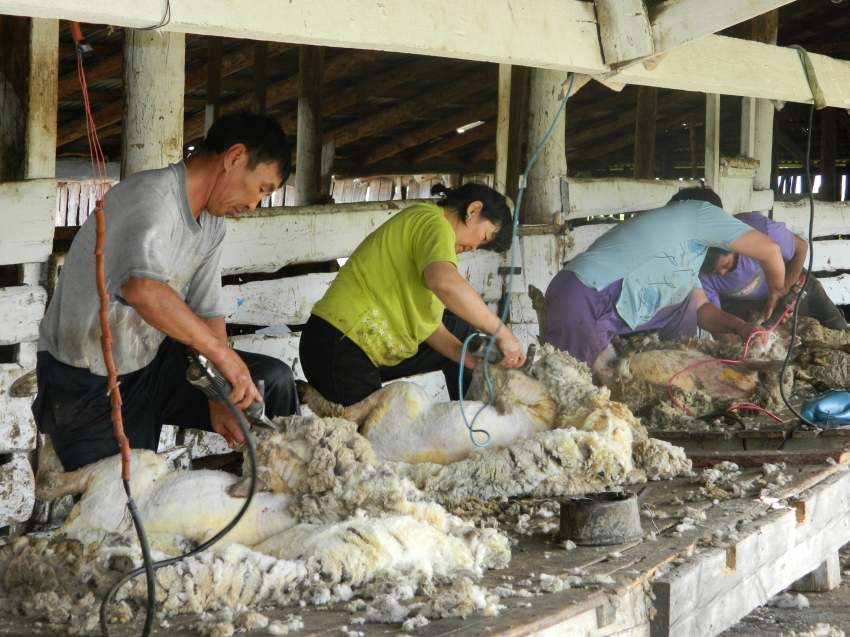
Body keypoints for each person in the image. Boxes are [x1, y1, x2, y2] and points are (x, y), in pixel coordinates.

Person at [33, 111, 300, 472]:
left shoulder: (212, 224)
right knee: (126, 503)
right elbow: (144, 290)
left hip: (151, 365)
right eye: (262, 188)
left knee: (274, 382)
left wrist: (217, 393)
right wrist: (223, 357)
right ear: (234, 157)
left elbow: (207, 310)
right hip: (87, 380)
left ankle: (275, 491)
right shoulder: (153, 198)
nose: (254, 204)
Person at [299, 182, 526, 407]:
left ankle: (474, 419)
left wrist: (463, 356)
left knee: (462, 333)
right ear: (473, 210)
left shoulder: (429, 235)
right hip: (339, 344)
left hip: (352, 344)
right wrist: (503, 333)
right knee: (369, 438)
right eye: (485, 237)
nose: (475, 247)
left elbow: (425, 325)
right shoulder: (433, 222)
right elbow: (445, 283)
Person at [544, 186, 787, 369]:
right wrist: (776, 290)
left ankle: (680, 368)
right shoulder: (699, 212)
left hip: (591, 297)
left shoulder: (679, 252)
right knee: (575, 390)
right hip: (587, 295)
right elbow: (770, 250)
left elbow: (700, 308)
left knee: (681, 303)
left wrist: (740, 326)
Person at [699, 212, 847, 339]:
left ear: (733, 247)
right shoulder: (698, 273)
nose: (722, 273)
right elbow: (715, 320)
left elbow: (801, 247)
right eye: (713, 272)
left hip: (788, 282)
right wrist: (741, 357)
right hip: (745, 305)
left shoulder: (759, 229)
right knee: (776, 349)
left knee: (838, 327)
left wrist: (784, 291)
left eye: (725, 265)